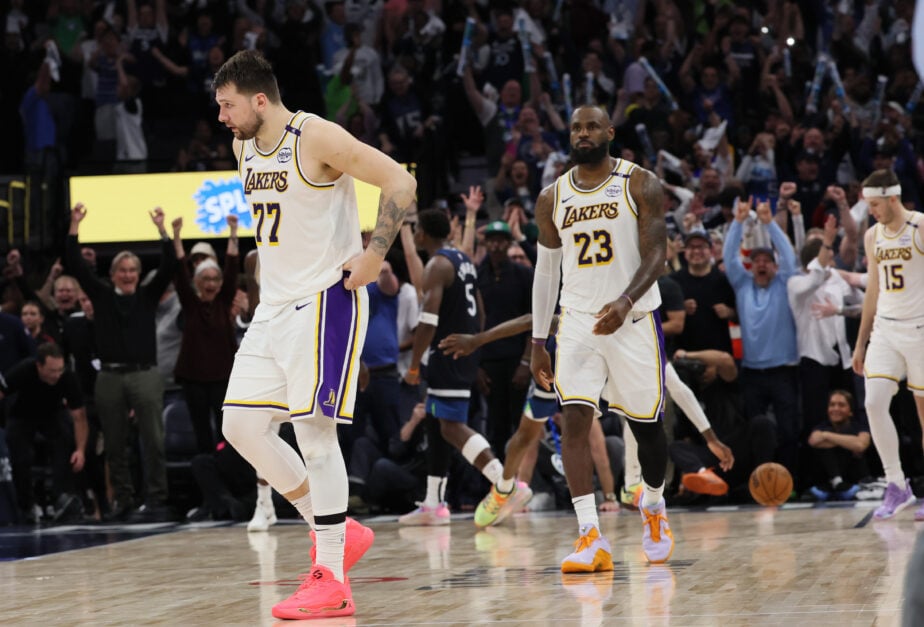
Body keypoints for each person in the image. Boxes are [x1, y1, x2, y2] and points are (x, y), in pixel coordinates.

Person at [213, 50, 416, 619]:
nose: (222, 118)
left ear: (259, 99)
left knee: (314, 432)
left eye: (228, 105)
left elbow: (399, 181)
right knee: (242, 426)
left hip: (324, 300)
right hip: (272, 307)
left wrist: (376, 254)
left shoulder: (314, 135)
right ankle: (336, 531)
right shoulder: (243, 146)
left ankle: (331, 576)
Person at [530, 104, 673, 571]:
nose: (583, 133)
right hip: (577, 323)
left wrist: (626, 301)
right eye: (576, 127)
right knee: (574, 422)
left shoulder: (640, 183)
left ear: (610, 132)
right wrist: (537, 342)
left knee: (648, 429)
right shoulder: (552, 198)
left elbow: (658, 257)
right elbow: (546, 273)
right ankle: (590, 534)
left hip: (632, 321)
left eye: (592, 126)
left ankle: (652, 502)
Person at [400, 209, 519, 529]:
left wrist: (413, 365)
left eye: (417, 230)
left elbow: (427, 322)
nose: (415, 235)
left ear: (424, 233)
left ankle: (505, 483)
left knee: (451, 426)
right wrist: (473, 345)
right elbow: (479, 308)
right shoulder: (463, 260)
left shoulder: (437, 264)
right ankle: (433, 503)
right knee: (438, 425)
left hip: (446, 353)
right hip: (463, 349)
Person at [65, 203, 177, 523]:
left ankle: (157, 499)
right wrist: (75, 224)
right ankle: (124, 500)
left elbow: (170, 266)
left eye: (132, 270)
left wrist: (162, 230)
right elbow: (75, 263)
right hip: (110, 377)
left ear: (138, 274)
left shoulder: (147, 295)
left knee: (154, 440)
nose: (128, 275)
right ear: (113, 274)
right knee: (114, 443)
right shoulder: (100, 295)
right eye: (122, 271)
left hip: (145, 374)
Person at [851, 169, 924, 521]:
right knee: (874, 402)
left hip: (921, 330)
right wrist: (860, 343)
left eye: (875, 204)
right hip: (885, 329)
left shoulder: (920, 227)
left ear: (893, 197)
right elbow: (873, 292)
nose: (872, 211)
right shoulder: (872, 236)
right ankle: (896, 484)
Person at [171, 214, 240, 454]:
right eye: (205, 278)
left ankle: (225, 470)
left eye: (215, 278)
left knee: (226, 431)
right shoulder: (190, 303)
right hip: (194, 380)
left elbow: (232, 267)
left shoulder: (223, 301)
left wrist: (233, 231)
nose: (210, 283)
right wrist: (177, 237)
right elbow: (180, 271)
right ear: (197, 282)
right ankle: (205, 472)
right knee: (201, 431)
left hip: (222, 378)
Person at [1, 344, 87, 524]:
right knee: (20, 455)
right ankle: (26, 505)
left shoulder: (67, 377)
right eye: (51, 370)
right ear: (39, 366)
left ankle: (61, 497)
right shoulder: (24, 369)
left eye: (59, 370)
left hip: (52, 414)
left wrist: (80, 450)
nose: (56, 375)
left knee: (64, 442)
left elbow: (79, 416)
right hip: (22, 414)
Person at [806, 389, 870, 501]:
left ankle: (841, 484)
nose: (836, 409)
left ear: (850, 411)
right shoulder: (822, 426)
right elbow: (813, 441)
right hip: (825, 484)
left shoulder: (860, 427)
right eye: (832, 405)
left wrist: (826, 435)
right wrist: (848, 442)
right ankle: (836, 482)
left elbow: (860, 445)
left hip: (854, 483)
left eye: (841, 405)